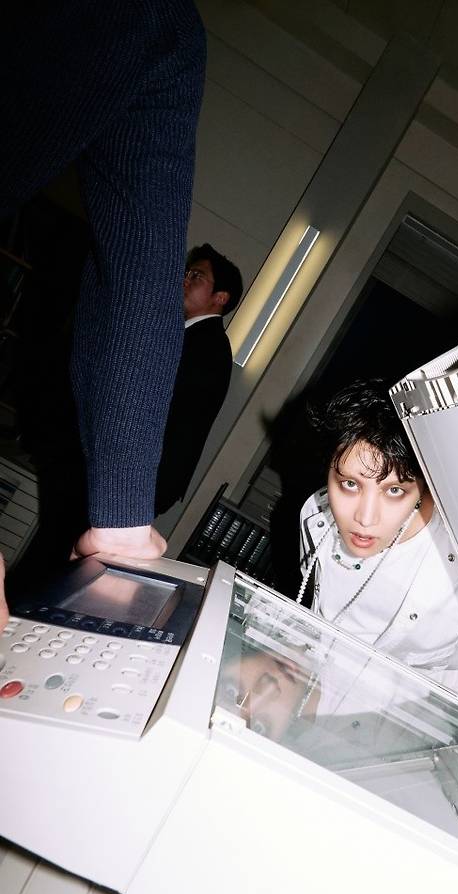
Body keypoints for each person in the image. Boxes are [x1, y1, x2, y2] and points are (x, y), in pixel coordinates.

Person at [0, 1, 207, 625]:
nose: (186, 281)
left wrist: (122, 517)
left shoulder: (166, 31)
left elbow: (137, 279)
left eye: (199, 279)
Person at [297, 380, 458, 707]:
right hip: (317, 695)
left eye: (394, 491)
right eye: (349, 484)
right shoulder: (315, 515)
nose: (365, 518)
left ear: (424, 485)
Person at [155, 244, 243, 516]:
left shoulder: (210, 347)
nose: (184, 280)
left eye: (196, 276)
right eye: (187, 273)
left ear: (221, 297)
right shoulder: (189, 335)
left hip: (144, 475)